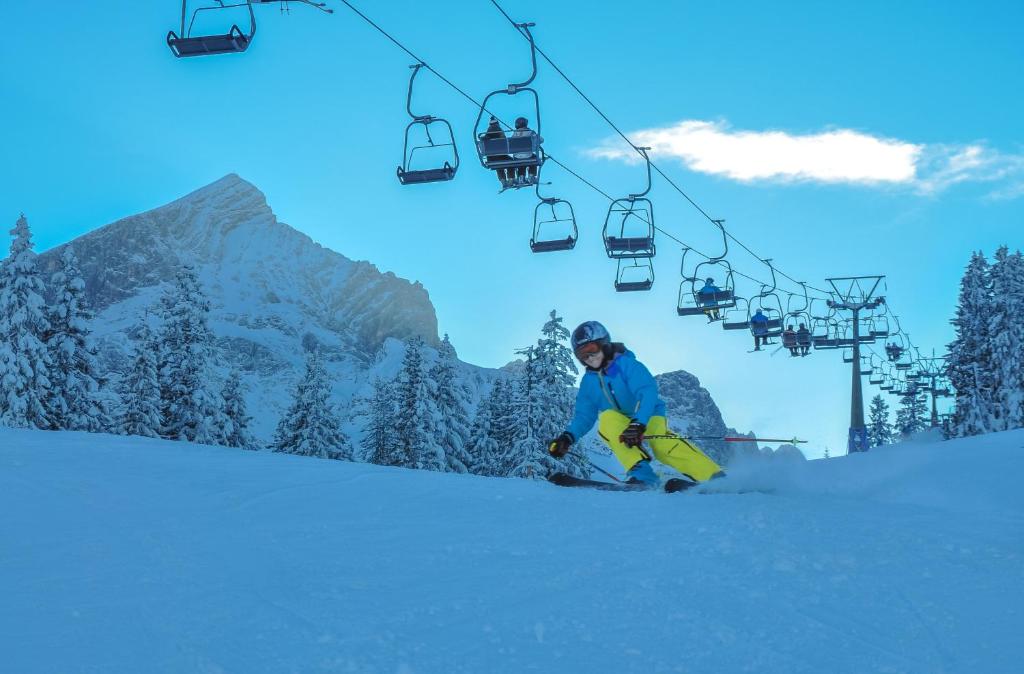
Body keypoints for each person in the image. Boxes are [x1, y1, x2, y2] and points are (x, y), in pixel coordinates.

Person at [546, 321, 724, 487]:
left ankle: (713, 477)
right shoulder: (589, 382)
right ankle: (643, 476)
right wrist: (567, 438)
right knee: (607, 420)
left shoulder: (626, 364)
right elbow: (585, 415)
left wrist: (639, 423)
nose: (589, 357)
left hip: (648, 413)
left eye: (592, 349)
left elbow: (646, 392)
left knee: (661, 445)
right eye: (583, 355)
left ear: (604, 343)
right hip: (621, 419)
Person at [510, 116, 543, 186]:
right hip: (528, 155)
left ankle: (521, 178)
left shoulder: (515, 134)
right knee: (534, 158)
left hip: (517, 156)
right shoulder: (530, 132)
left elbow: (510, 143)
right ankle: (531, 176)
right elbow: (541, 139)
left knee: (521, 163)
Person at [480, 116, 511, 188]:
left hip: (491, 158)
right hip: (501, 156)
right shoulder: (497, 130)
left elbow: (485, 137)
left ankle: (503, 181)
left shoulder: (489, 132)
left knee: (499, 166)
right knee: (510, 162)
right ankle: (511, 179)